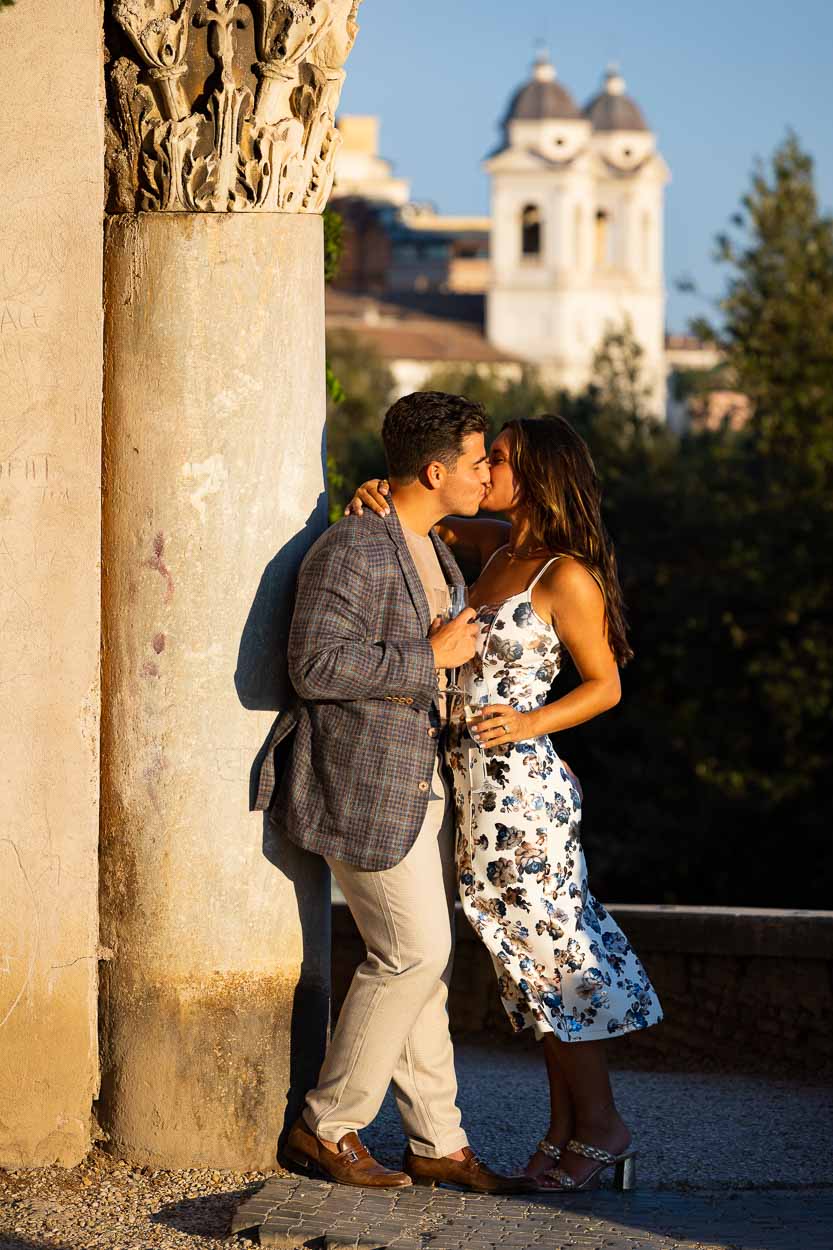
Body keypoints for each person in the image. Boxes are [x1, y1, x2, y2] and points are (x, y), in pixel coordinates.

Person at [346, 414, 663, 1192]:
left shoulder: (565, 574)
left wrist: (526, 722)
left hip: (520, 792)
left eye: (501, 462)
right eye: (483, 459)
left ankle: (602, 1130)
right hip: (472, 789)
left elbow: (606, 685)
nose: (485, 470)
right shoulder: (493, 548)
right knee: (525, 967)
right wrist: (376, 491)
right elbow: (420, 519)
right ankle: (562, 1130)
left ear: (539, 474)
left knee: (555, 959)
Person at [251, 392, 532, 1193]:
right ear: (436, 469)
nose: (486, 473)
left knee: (423, 968)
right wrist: (431, 653)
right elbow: (314, 668)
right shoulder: (354, 549)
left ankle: (438, 1142)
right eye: (479, 461)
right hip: (363, 788)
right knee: (412, 954)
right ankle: (326, 1125)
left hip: (423, 785)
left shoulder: (433, 547)